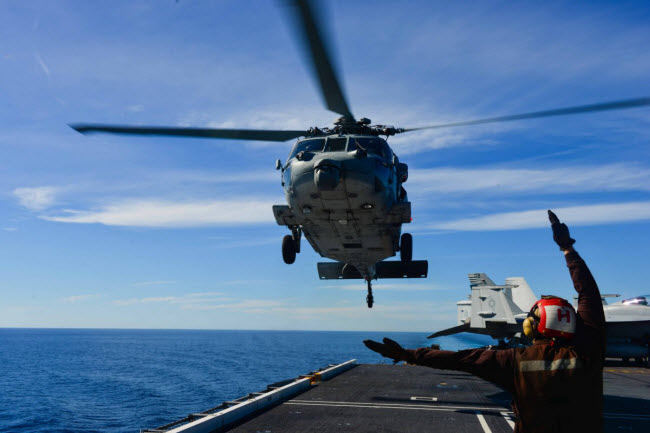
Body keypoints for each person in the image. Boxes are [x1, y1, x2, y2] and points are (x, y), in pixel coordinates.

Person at [364, 210, 606, 433]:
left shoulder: (514, 361)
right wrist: (567, 248)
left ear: (532, 327)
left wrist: (408, 355)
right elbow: (589, 294)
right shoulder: (589, 350)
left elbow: (459, 360)